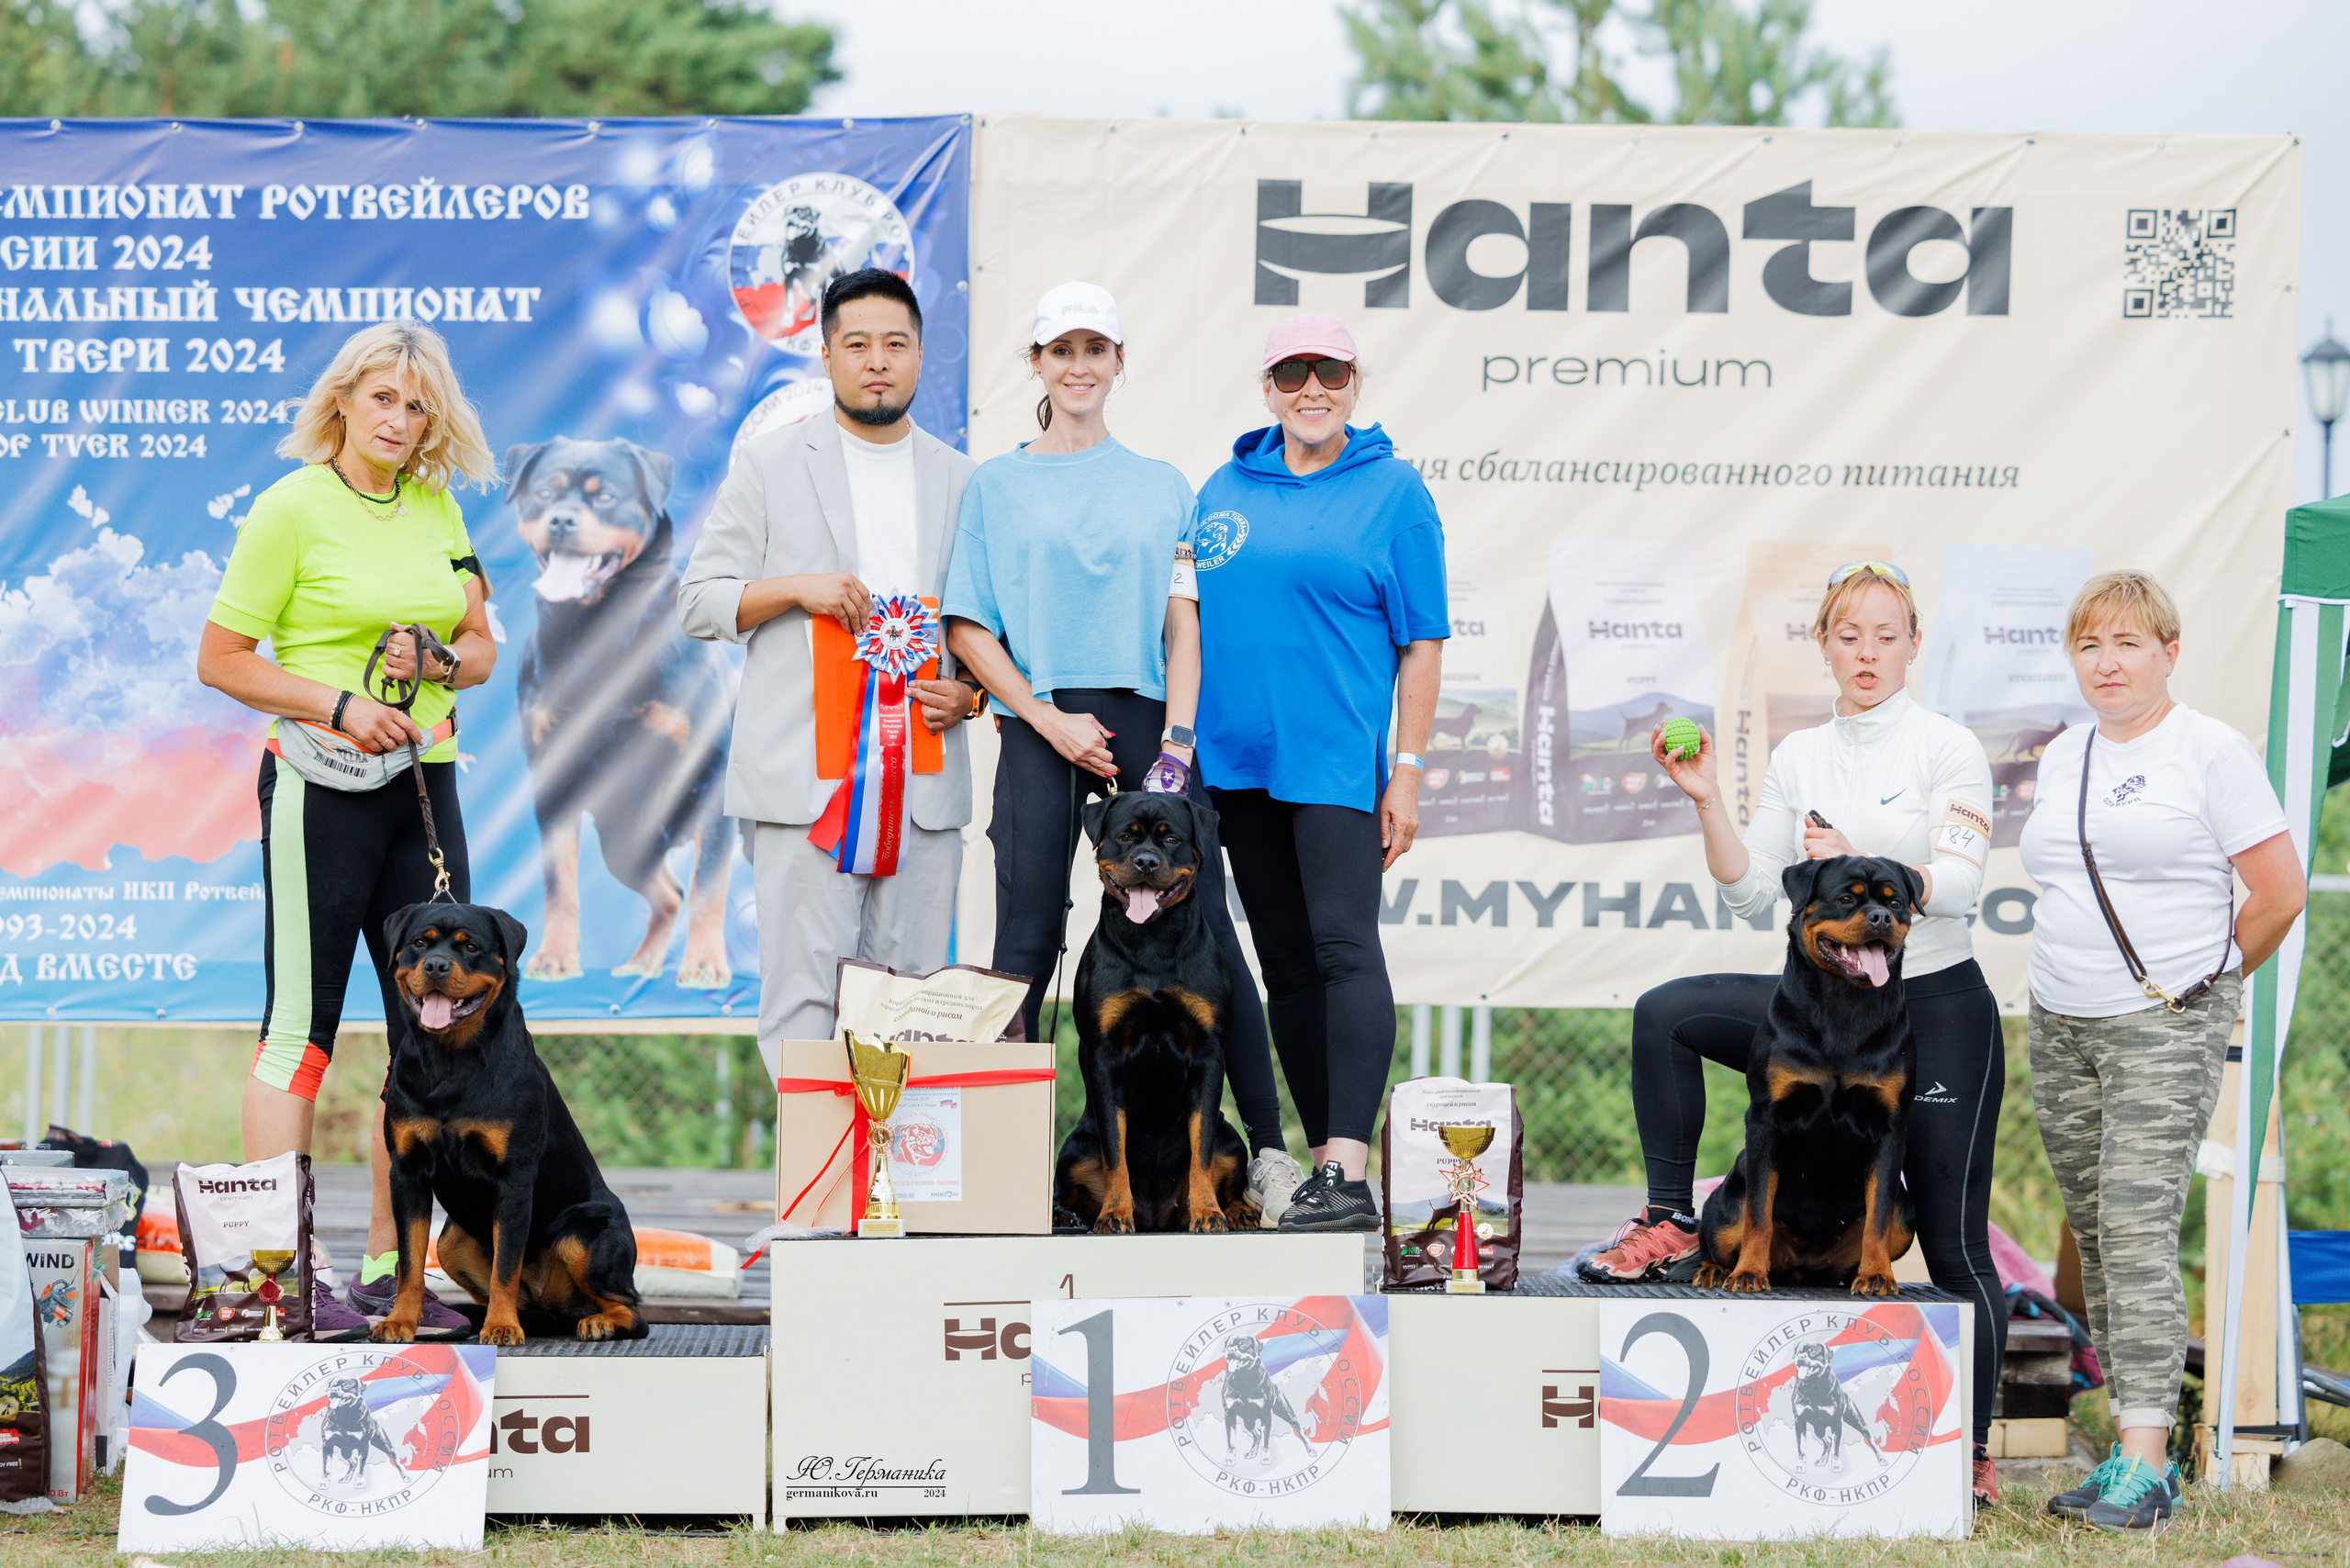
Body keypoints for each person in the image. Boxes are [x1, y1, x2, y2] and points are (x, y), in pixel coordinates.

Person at [1577, 560, 2011, 1503]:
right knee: (1663, 1013)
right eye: (1846, 634)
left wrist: (1859, 856)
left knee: (1948, 1240)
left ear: (1911, 643)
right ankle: (1668, 1221)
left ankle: (1970, 1451)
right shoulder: (1798, 755)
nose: (1865, 651)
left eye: (1884, 633)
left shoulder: (1947, 747)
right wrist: (1703, 798)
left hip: (1929, 1000)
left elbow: (1963, 882)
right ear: (1822, 644)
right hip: (1817, 1003)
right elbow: (1748, 890)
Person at [940, 283, 1298, 1218]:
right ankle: (1003, 1171)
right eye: (1061, 350)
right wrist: (1044, 717)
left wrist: (1177, 740)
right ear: (1037, 366)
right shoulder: (996, 483)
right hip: (1035, 719)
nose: (1079, 366)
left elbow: (1185, 619)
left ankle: (1266, 1153)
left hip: (1149, 722)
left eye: (1096, 349)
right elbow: (970, 626)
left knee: (1214, 938)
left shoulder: (1162, 485)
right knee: (1021, 940)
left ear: (1119, 361)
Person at [196, 321, 498, 1335]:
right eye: (382, 399)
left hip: (423, 783)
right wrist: (334, 705)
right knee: (302, 1032)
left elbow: (482, 643)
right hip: (320, 788)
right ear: (342, 401)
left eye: (418, 407)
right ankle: (265, 1281)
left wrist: (441, 664)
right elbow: (223, 659)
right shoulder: (291, 507)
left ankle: (388, 1274)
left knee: (430, 1034)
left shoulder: (436, 504)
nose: (399, 421)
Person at [2020, 570, 2303, 1531]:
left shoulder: (2210, 751)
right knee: (2096, 1236)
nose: (2107, 662)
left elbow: (2277, 892)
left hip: (2160, 1026)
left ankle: (2147, 1467)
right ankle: (2123, 1443)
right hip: (2058, 1024)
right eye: (2090, 645)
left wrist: (2205, 989)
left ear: (2168, 653)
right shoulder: (2064, 755)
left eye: (2128, 643)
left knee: (2136, 1231)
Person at [679, 269, 979, 1067]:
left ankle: (895, 1192)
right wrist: (796, 590)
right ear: (825, 356)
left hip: (922, 781)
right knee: (801, 1000)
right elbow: (700, 601)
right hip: (801, 786)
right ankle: (813, 1195)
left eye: (895, 344)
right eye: (857, 345)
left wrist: (973, 694)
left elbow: (986, 628)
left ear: (921, 357)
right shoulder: (771, 464)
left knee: (914, 1001)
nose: (876, 361)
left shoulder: (962, 479)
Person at [1191, 313, 1447, 1233]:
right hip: (1234, 767)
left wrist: (1406, 770)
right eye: (1292, 371)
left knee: (1342, 951)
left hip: (1336, 763)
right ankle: (1316, 1173)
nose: (1311, 388)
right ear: (1266, 386)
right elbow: (1189, 621)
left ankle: (1347, 1163)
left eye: (1329, 372)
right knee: (1286, 965)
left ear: (1354, 385)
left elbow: (1421, 644)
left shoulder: (1393, 491)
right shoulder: (1221, 488)